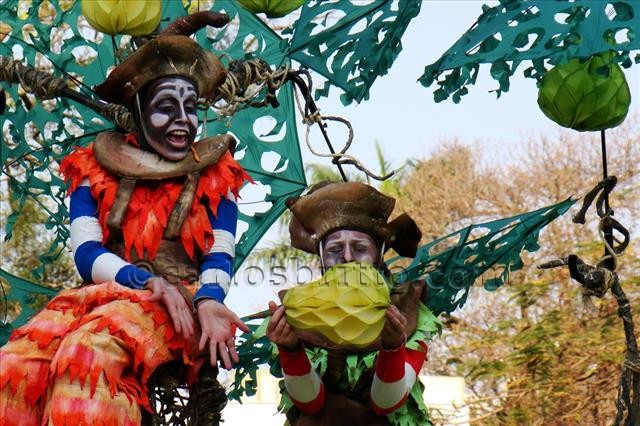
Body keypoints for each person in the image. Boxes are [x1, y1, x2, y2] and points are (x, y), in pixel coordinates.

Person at [0, 33, 249, 425]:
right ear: (140, 111)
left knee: (89, 353)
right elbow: (87, 254)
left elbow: (220, 255)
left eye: (190, 107)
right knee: (15, 366)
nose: (182, 119)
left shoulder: (217, 172)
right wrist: (144, 281)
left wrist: (209, 299)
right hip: (102, 294)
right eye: (166, 107)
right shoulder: (92, 167)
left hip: (183, 307)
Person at [266, 182, 440, 425]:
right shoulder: (297, 311)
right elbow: (310, 403)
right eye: (335, 249)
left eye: (360, 248)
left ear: (378, 255)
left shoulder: (408, 308)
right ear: (322, 258)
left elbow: (386, 403)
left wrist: (392, 347)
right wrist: (291, 350)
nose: (347, 257)